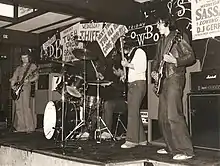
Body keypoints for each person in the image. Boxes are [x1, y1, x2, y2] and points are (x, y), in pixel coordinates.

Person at [151, 16, 195, 160]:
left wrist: (175, 60)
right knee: (163, 117)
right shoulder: (161, 41)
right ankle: (172, 148)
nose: (157, 26)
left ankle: (186, 150)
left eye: (159, 23)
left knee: (173, 115)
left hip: (175, 78)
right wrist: (154, 72)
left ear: (166, 23)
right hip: (163, 81)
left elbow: (190, 57)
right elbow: (158, 60)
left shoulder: (178, 36)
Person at [120, 44, 147, 148]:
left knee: (132, 112)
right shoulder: (132, 55)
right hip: (133, 84)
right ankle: (141, 139)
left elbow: (141, 68)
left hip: (137, 84)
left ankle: (131, 140)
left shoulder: (139, 52)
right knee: (134, 111)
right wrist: (125, 75)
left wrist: (127, 65)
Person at [10, 51, 39, 133]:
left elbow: (36, 76)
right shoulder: (18, 68)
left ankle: (29, 128)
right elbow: (14, 78)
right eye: (23, 58)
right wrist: (13, 86)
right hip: (18, 88)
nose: (24, 59)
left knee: (26, 107)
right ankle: (21, 128)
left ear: (29, 57)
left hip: (26, 87)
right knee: (19, 108)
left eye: (25, 57)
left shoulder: (32, 66)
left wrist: (29, 80)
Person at [100, 52, 128, 139]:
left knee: (108, 104)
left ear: (120, 70)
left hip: (126, 103)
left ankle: (107, 131)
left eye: (115, 71)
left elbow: (122, 89)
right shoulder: (118, 79)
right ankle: (102, 130)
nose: (114, 73)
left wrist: (111, 84)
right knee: (105, 103)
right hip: (120, 102)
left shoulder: (127, 78)